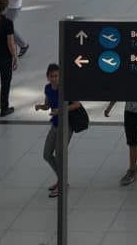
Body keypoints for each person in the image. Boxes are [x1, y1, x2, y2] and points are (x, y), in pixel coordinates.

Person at [36, 63, 83, 198]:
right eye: (52, 76)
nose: (54, 79)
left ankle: (62, 183)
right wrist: (41, 107)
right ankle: (61, 180)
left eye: (56, 76)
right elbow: (48, 104)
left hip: (66, 125)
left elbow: (76, 104)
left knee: (59, 154)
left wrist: (60, 110)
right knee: (47, 154)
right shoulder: (47, 88)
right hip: (55, 124)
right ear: (48, 77)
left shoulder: (66, 88)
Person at [103, 99, 137, 185]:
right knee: (136, 138)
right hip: (130, 111)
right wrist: (109, 107)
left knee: (133, 142)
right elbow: (119, 92)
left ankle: (132, 171)